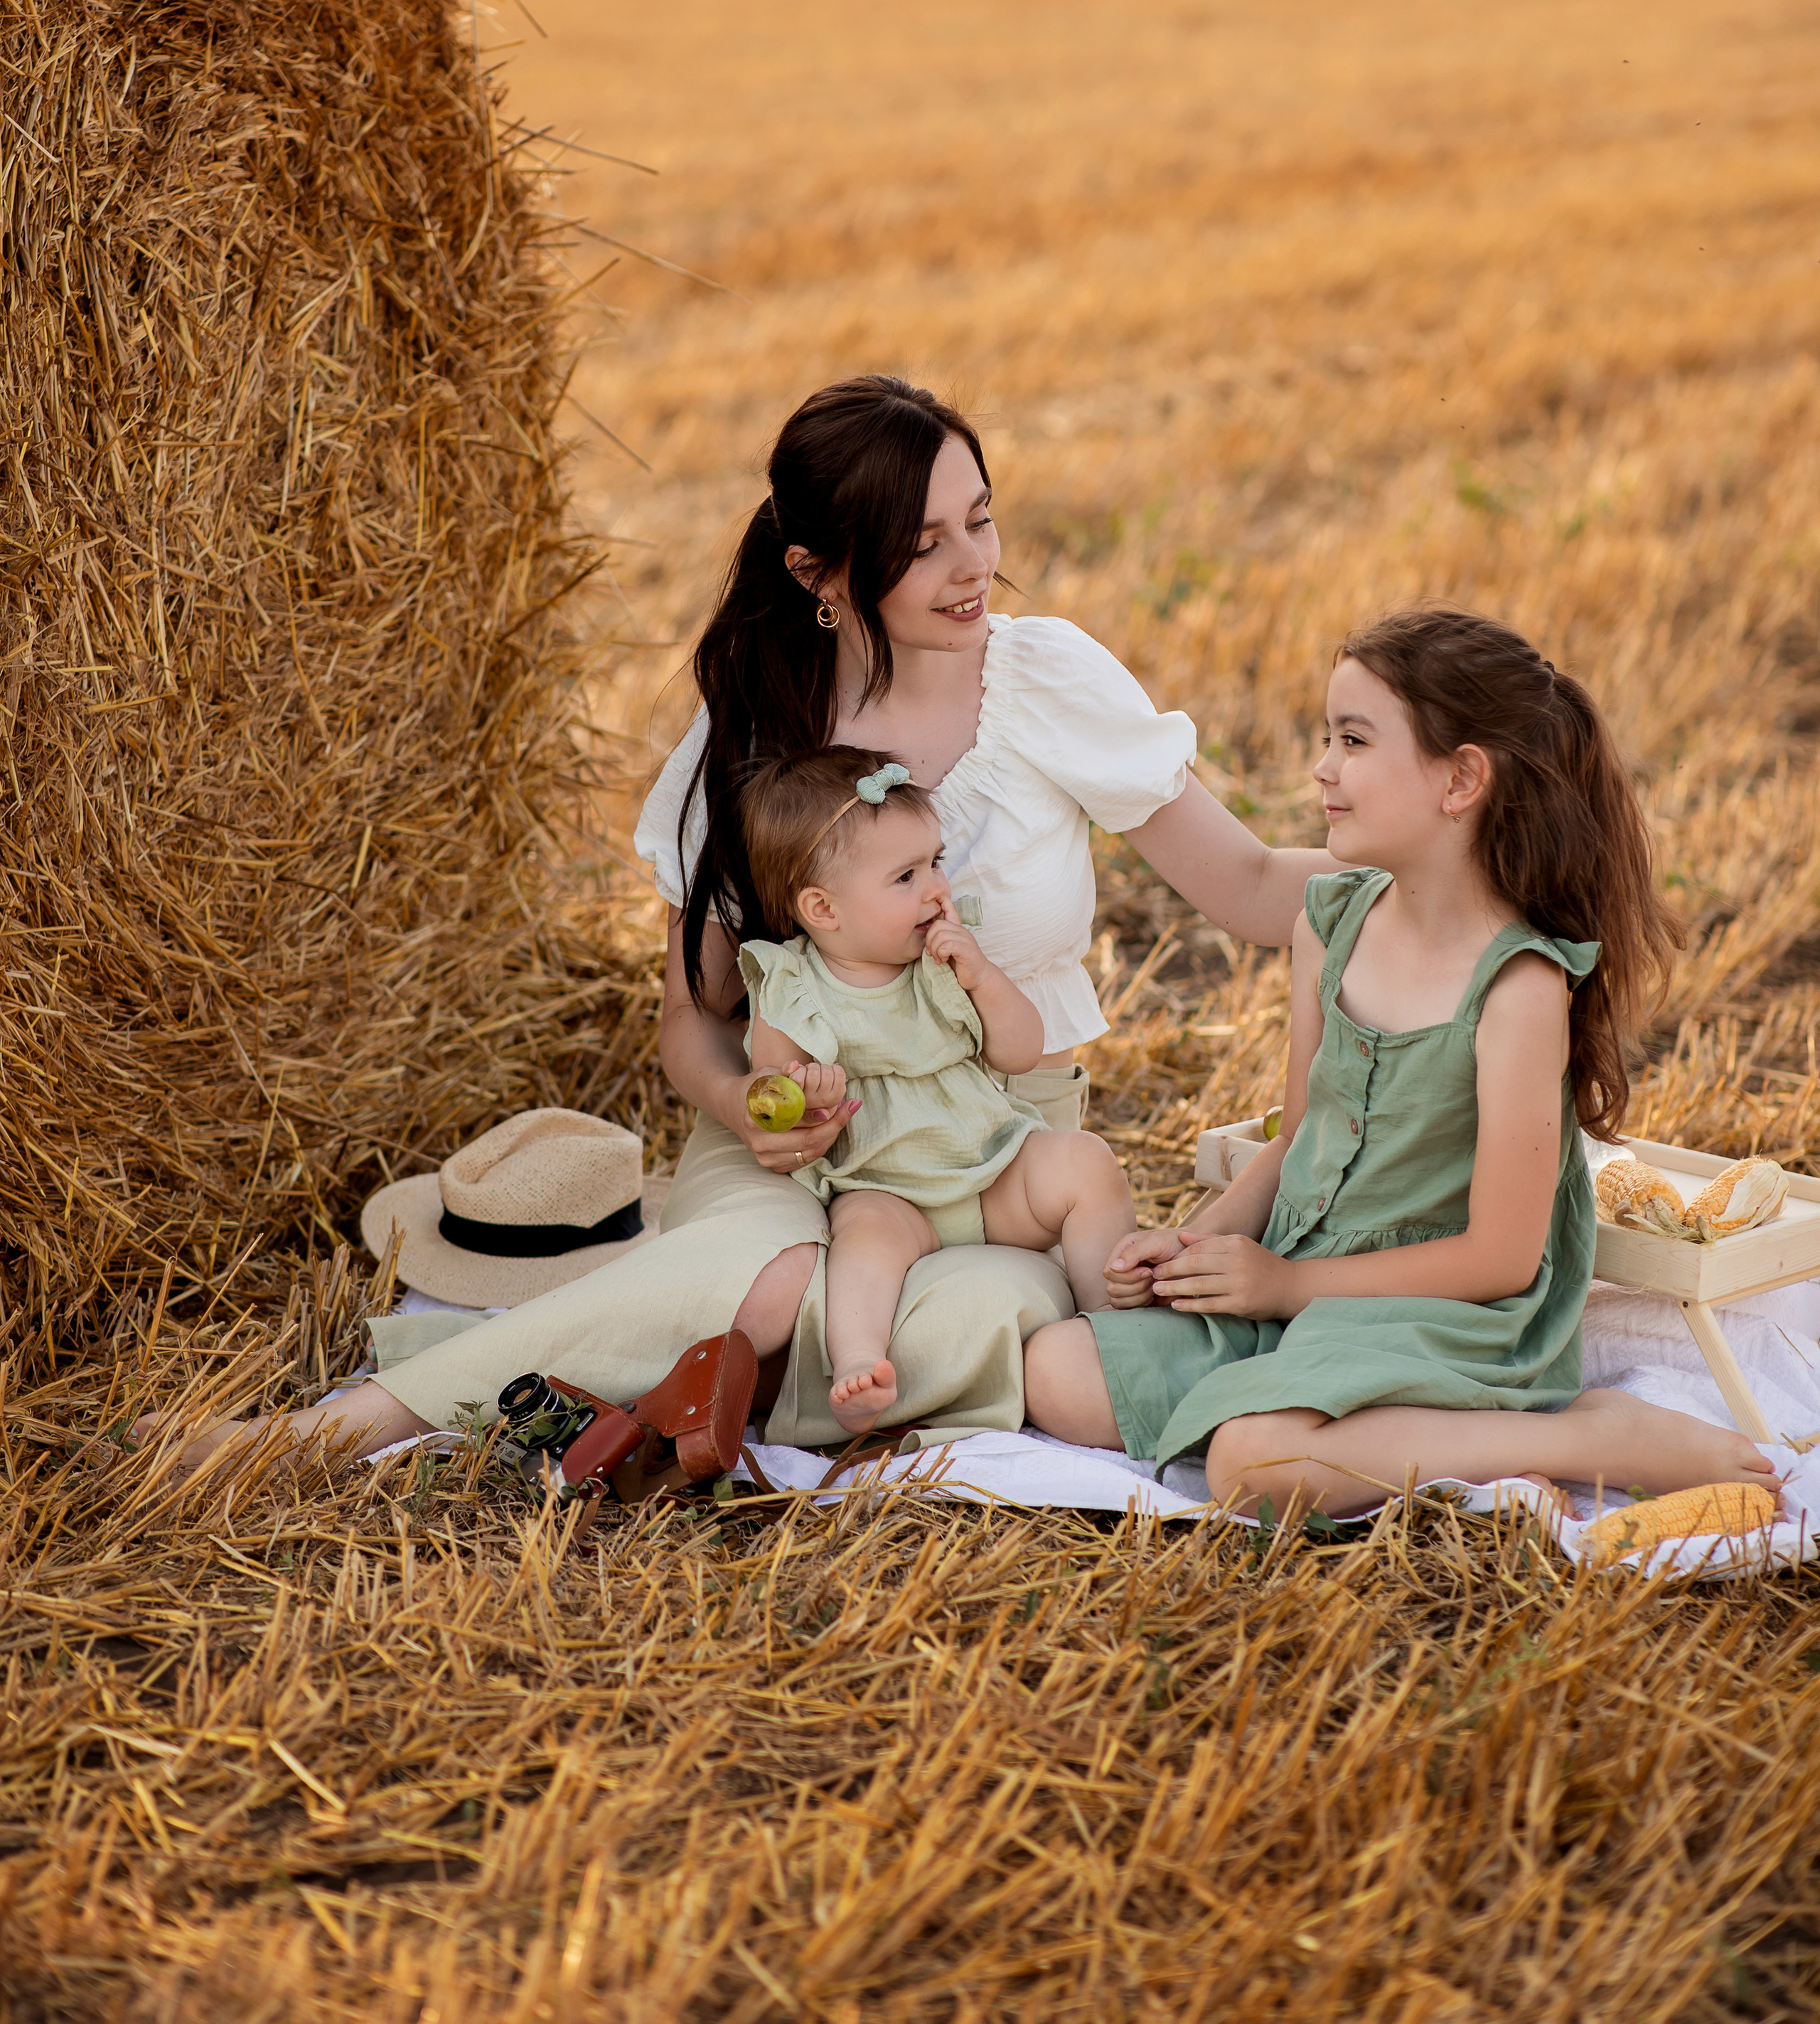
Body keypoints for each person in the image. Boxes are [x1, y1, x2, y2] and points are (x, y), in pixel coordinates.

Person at [146, 373, 1331, 1477]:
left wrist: (1441, 870)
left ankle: (634, 1395)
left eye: (981, 518)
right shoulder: (752, 737)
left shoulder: (1050, 683)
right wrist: (754, 1119)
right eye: (924, 546)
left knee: (984, 1316)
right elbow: (692, 1022)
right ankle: (325, 1434)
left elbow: (1258, 889)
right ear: (820, 573)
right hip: (801, 1161)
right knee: (769, 1282)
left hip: (994, 1155)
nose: (976, 566)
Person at [1024, 607, 1785, 1523]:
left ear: (1460, 779)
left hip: (1443, 1312)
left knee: (1251, 1462)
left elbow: (1500, 1260)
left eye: (1352, 739)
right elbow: (1299, 1133)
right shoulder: (1330, 922)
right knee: (1057, 1373)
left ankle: (1588, 1437)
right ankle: (1341, 1414)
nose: (1321, 767)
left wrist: (1285, 1287)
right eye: (1325, 736)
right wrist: (1202, 1246)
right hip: (1302, 1275)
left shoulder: (1517, 987)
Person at [737, 749, 1136, 1427]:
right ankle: (858, 1364)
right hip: (889, 1190)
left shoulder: (943, 958)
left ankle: (1112, 1326)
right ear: (823, 908)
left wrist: (983, 978)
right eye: (906, 876)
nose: (936, 889)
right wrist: (804, 1090)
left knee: (1085, 1162)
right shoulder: (793, 984)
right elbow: (769, 1092)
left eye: (936, 863)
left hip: (991, 1170)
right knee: (861, 1243)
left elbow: (1021, 1050)